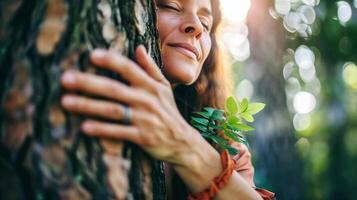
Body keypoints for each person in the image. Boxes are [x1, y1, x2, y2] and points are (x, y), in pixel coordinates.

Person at [60, 0, 275, 199]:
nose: (197, 27)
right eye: (171, 5)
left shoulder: (227, 147)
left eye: (205, 22)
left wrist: (184, 146)